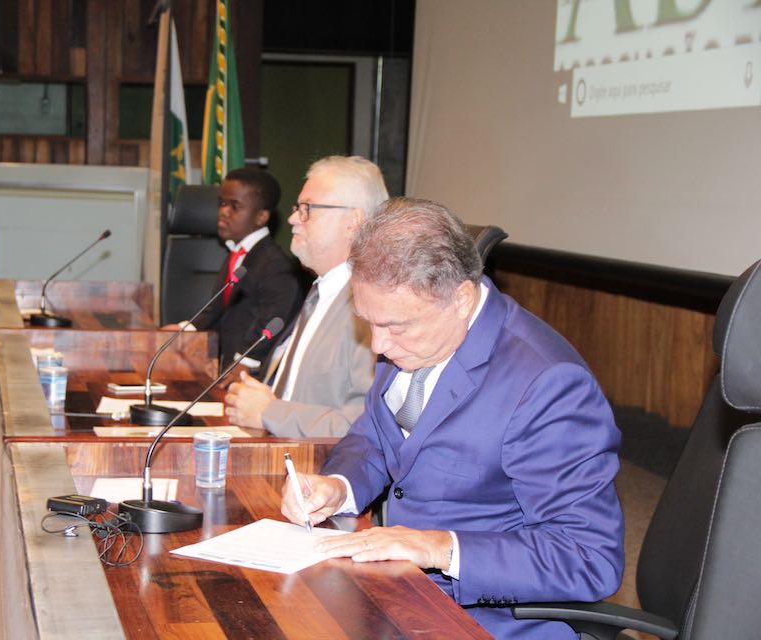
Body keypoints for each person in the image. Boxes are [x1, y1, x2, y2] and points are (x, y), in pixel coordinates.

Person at [280, 198, 624, 640]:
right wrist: (338, 486)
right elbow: (375, 437)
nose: (378, 346)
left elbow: (588, 556)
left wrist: (437, 546)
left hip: (487, 621)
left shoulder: (547, 384)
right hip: (400, 591)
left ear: (460, 299)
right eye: (369, 322)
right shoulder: (415, 337)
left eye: (395, 327)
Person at [224, 156, 388, 437]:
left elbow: (367, 426)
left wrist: (269, 413)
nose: (292, 219)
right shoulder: (320, 291)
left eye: (307, 209)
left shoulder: (372, 309)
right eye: (297, 208)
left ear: (354, 221)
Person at [167, 168, 302, 371]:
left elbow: (271, 322)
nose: (224, 211)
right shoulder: (237, 252)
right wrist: (185, 328)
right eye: (222, 203)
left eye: (235, 206)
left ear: (261, 217)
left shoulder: (275, 266)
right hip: (224, 364)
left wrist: (244, 362)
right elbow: (217, 308)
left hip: (249, 372)